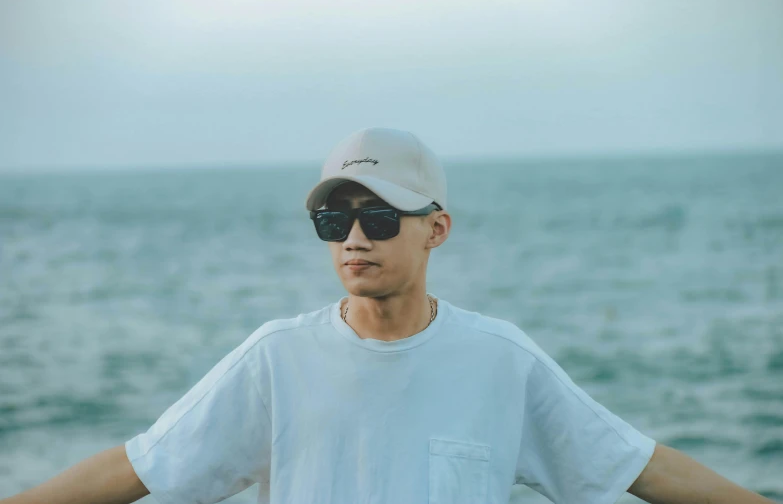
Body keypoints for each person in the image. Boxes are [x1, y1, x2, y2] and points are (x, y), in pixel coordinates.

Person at [2, 127, 776, 504]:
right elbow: (138, 465)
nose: (353, 240)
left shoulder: (500, 360)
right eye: (334, 222)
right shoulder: (276, 358)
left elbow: (636, 464)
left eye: (377, 218)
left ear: (435, 229)